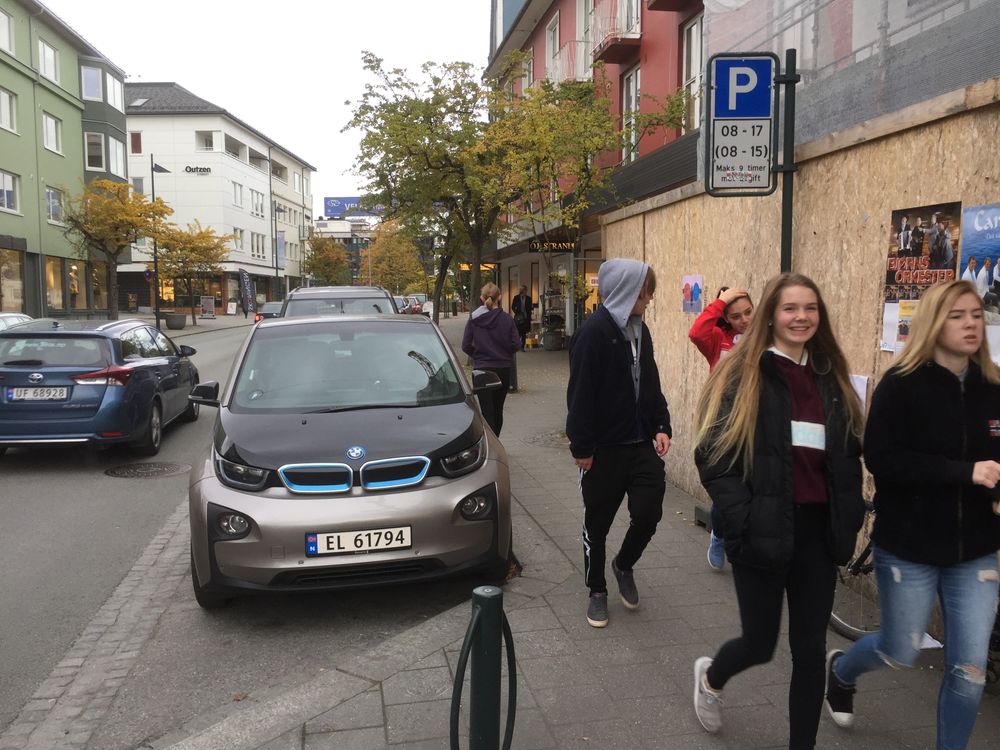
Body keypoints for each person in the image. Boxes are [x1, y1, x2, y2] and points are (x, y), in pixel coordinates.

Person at [692, 273, 865, 749]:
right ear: (771, 314)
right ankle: (711, 679)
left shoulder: (831, 377)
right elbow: (712, 454)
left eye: (810, 308)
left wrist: (849, 518)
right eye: (790, 308)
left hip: (817, 535)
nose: (801, 317)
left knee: (809, 653)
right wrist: (741, 517)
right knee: (759, 644)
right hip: (762, 528)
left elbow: (850, 454)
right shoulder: (744, 372)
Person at [824, 279, 1000, 750]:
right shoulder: (902, 386)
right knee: (900, 649)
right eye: (956, 315)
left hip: (977, 550)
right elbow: (882, 460)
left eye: (976, 315)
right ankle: (841, 672)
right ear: (931, 323)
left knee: (969, 670)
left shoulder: (993, 386)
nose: (970, 324)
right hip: (909, 546)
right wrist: (965, 473)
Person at [566, 258, 671, 629]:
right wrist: (582, 447)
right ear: (629, 290)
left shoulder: (642, 330)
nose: (650, 299)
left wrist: (661, 424)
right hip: (604, 448)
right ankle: (597, 590)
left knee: (649, 512)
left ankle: (623, 564)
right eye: (647, 292)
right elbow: (580, 394)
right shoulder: (593, 333)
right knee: (598, 523)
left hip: (641, 443)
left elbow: (651, 380)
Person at [688, 285, 755, 571]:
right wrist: (721, 301)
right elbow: (696, 332)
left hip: (753, 423)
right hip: (721, 424)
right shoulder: (717, 339)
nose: (744, 320)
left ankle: (740, 539)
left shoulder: (763, 338)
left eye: (749, 312)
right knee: (725, 489)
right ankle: (719, 532)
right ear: (726, 318)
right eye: (736, 315)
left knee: (748, 485)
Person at [462, 282, 521, 437]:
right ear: (499, 297)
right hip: (503, 369)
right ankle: (496, 442)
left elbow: (465, 345)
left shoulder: (474, 319)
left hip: (481, 370)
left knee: (486, 412)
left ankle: (489, 444)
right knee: (498, 409)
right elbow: (516, 344)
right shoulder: (507, 319)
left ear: (482, 298)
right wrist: (504, 353)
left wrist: (478, 356)